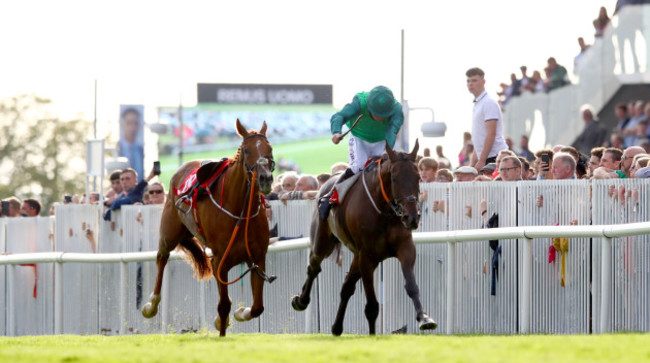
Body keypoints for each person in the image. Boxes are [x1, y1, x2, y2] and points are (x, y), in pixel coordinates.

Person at [319, 86, 404, 219]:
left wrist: (387, 150)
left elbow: (392, 130)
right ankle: (330, 196)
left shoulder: (397, 109)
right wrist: (336, 132)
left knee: (387, 168)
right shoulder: (359, 102)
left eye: (384, 115)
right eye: (376, 113)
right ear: (369, 106)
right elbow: (339, 116)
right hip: (359, 138)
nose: (380, 118)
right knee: (358, 166)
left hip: (382, 140)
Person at [466, 67, 508, 172]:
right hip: (487, 157)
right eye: (468, 81)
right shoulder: (478, 104)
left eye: (474, 80)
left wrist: (482, 160)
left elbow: (491, 134)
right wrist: (473, 161)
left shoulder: (488, 103)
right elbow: (479, 137)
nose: (470, 84)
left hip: (495, 156)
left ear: (483, 82)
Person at [118, 108, 145, 181]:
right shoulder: (117, 149)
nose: (132, 128)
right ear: (122, 125)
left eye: (135, 123)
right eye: (129, 123)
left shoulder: (141, 150)